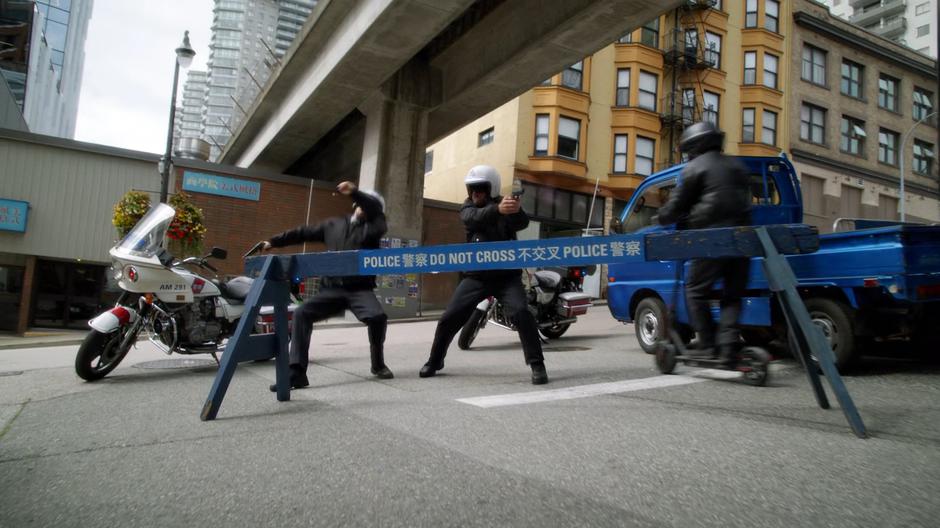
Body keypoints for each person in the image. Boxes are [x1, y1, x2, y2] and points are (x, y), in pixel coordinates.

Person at [419, 165, 548, 385]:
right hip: (476, 277)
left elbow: (522, 223)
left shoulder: (504, 206)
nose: (475, 193)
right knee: (449, 317)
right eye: (472, 189)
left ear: (491, 189)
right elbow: (471, 219)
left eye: (480, 188)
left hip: (507, 277)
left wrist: (515, 208)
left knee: (521, 313)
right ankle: (435, 360)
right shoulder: (469, 207)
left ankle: (537, 365)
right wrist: (498, 210)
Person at [261, 181, 391, 390]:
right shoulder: (333, 225)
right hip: (332, 290)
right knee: (302, 313)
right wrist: (273, 241)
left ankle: (378, 364)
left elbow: (374, 209)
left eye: (367, 205)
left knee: (377, 317)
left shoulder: (376, 226)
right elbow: (303, 232)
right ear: (354, 206)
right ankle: (297, 373)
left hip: (360, 289)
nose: (363, 208)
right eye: (360, 203)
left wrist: (355, 193)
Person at [656, 121, 752, 363]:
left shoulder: (694, 167)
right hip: (743, 240)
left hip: (711, 240)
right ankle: (729, 344)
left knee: (696, 291)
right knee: (732, 294)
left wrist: (662, 217)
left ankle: (708, 343)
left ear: (693, 145)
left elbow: (677, 205)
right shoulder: (737, 166)